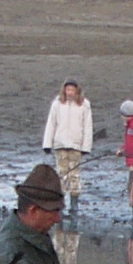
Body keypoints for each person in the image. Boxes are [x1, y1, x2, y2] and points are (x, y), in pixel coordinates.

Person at [43, 81, 93, 215]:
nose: (70, 93)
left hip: (76, 145)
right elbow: (51, 124)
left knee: (75, 175)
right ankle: (61, 203)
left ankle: (74, 205)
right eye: (67, 90)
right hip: (60, 145)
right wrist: (47, 144)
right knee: (62, 174)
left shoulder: (84, 104)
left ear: (77, 91)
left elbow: (87, 126)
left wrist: (86, 146)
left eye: (72, 90)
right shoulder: (57, 104)